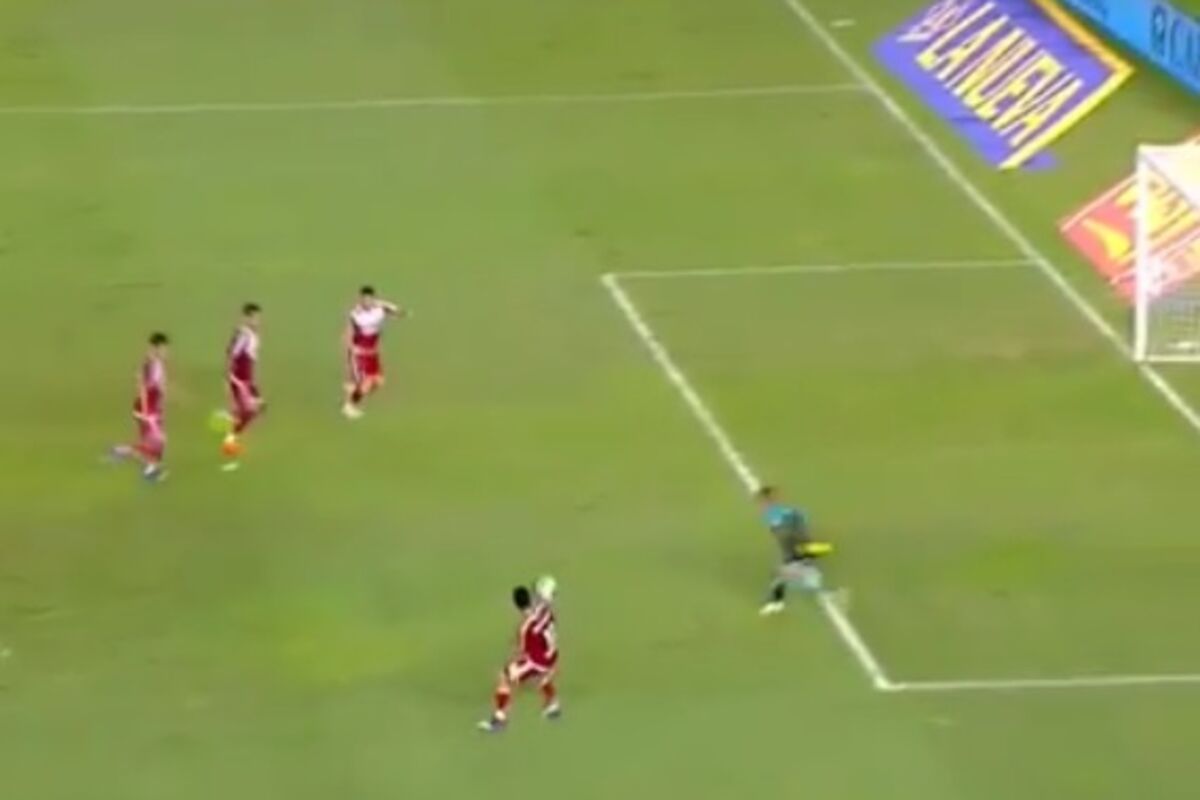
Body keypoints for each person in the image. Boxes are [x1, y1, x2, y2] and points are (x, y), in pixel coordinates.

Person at [478, 585, 561, 732]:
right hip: (552, 655)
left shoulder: (525, 628)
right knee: (541, 676)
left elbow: (523, 652)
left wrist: (513, 666)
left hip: (538, 661)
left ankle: (499, 719)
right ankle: (552, 706)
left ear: (515, 605)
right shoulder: (544, 611)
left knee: (505, 677)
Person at [756, 485, 831, 615]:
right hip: (796, 550)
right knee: (782, 575)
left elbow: (793, 530)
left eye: (763, 500)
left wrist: (803, 546)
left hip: (796, 551)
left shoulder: (778, 516)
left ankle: (778, 602)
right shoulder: (781, 514)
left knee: (784, 575)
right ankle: (777, 602)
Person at [110, 332, 169, 482]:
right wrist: (146, 410)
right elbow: (141, 385)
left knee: (154, 443)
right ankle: (150, 471)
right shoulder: (149, 364)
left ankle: (121, 451)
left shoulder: (158, 363)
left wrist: (161, 403)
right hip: (147, 409)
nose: (165, 351)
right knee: (158, 441)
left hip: (154, 408)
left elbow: (158, 386)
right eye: (163, 348)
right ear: (155, 347)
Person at [343, 286, 403, 419]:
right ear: (360, 299)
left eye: (370, 299)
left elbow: (399, 313)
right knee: (366, 384)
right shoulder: (356, 314)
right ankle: (349, 405)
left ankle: (353, 390)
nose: (367, 302)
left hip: (373, 353)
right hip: (360, 353)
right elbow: (349, 333)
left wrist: (383, 304)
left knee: (379, 382)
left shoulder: (380, 310)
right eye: (364, 299)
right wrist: (350, 351)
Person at [221, 303, 264, 470]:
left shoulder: (253, 335)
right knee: (249, 412)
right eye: (253, 317)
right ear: (246, 318)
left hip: (247, 381)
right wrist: (226, 379)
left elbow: (250, 361)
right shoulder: (243, 335)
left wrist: (254, 384)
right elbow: (231, 355)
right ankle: (230, 440)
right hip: (239, 381)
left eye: (258, 317)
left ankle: (231, 427)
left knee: (257, 409)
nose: (257, 320)